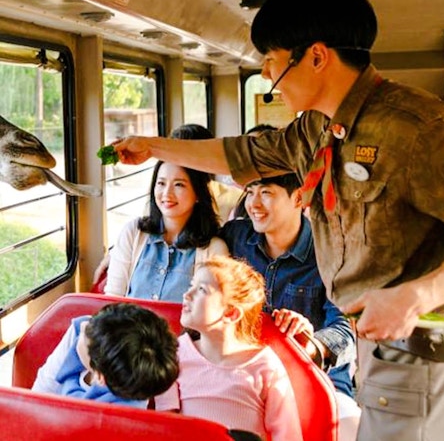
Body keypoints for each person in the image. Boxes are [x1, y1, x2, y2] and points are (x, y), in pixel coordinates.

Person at [112, 0, 444, 440]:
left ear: (316, 57)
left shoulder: (421, 129)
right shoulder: (316, 130)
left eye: (273, 60)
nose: (265, 75)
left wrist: (415, 295)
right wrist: (154, 147)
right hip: (375, 342)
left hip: (422, 339)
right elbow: (237, 156)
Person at [221, 173, 360, 441]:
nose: (254, 204)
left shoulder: (330, 249)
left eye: (266, 193)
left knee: (350, 429)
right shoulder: (234, 237)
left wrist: (305, 345)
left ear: (299, 197)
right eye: (250, 192)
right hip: (245, 379)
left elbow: (345, 331)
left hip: (318, 379)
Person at [155, 255, 303, 440]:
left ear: (231, 313)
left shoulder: (266, 365)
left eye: (201, 289)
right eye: (191, 285)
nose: (187, 294)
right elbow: (166, 426)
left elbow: (288, 434)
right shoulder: (173, 355)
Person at [104, 159, 228, 300]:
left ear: (198, 193)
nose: (167, 193)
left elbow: (210, 311)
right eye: (161, 183)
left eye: (179, 185)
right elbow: (113, 297)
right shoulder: (133, 232)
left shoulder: (214, 249)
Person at [32, 302, 179, 407]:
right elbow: (42, 391)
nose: (84, 326)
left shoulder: (124, 409)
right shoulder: (84, 329)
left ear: (100, 375)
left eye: (86, 337)